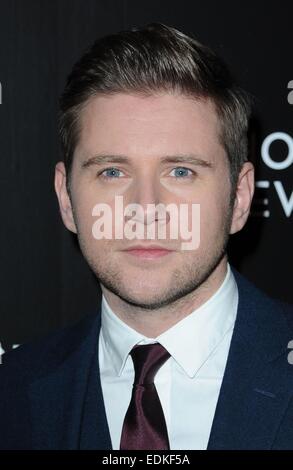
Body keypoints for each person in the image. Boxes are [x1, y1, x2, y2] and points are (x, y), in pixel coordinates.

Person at [0, 23, 292, 450]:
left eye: (181, 171)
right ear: (66, 198)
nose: (145, 209)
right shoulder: (14, 390)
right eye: (112, 172)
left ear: (241, 197)